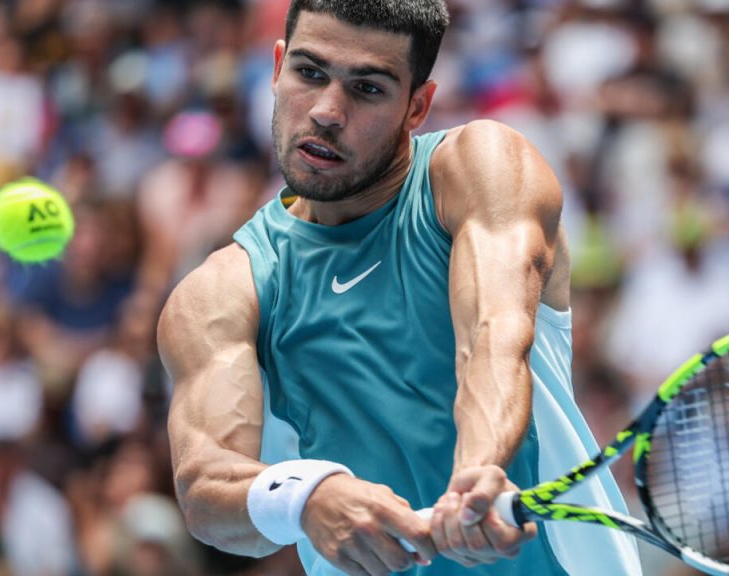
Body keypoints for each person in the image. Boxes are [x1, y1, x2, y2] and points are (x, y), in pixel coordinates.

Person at [158, 2, 641, 575]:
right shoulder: (225, 289)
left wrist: (478, 472)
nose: (327, 111)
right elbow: (205, 486)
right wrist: (307, 497)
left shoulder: (480, 168)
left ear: (418, 106)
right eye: (309, 72)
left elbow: (491, 340)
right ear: (278, 67)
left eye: (367, 88)